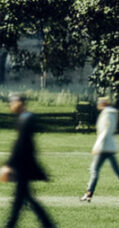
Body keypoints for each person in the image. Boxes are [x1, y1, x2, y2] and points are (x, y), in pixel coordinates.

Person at [3, 94, 53, 228]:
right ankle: (48, 225)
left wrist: (9, 165)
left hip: (23, 166)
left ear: (19, 103)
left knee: (21, 199)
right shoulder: (25, 118)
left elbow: (21, 145)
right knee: (25, 198)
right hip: (24, 165)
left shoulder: (26, 119)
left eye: (12, 103)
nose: (10, 106)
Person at [81, 97, 119, 203]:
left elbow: (105, 131)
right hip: (109, 147)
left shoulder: (107, 114)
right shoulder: (110, 113)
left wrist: (97, 146)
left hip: (104, 147)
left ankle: (89, 193)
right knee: (116, 171)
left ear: (103, 104)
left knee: (94, 170)